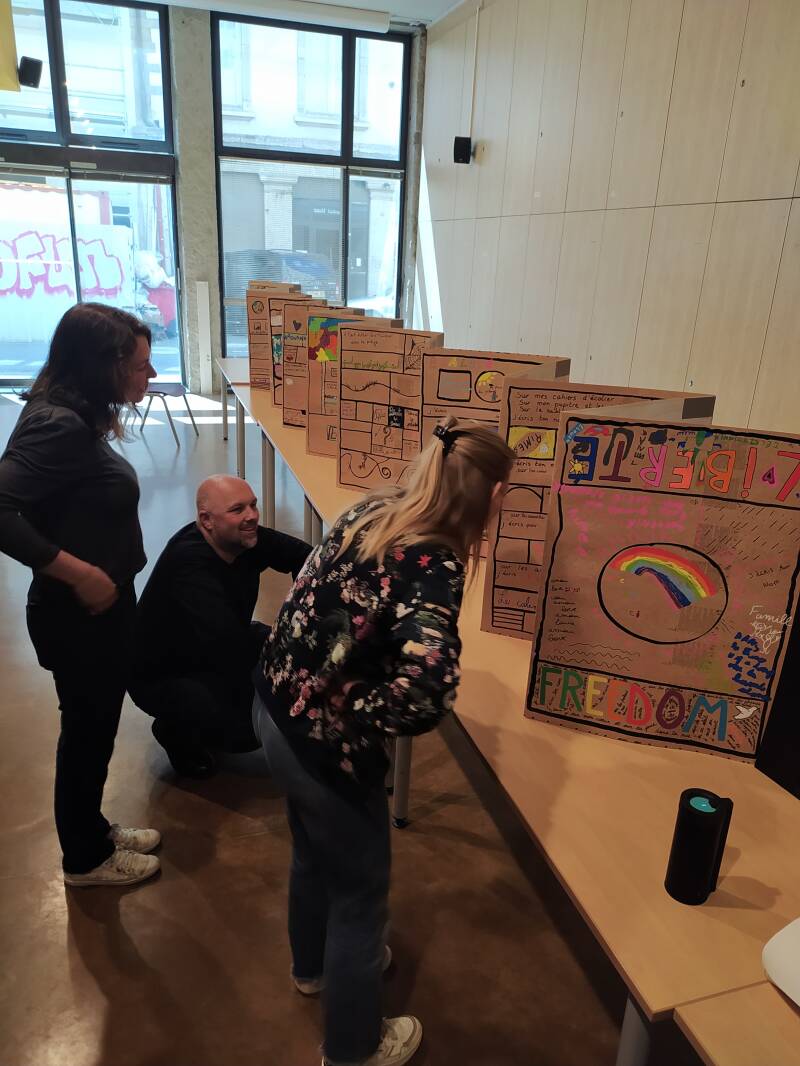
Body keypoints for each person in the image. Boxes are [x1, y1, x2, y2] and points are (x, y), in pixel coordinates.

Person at [253, 416, 514, 1066]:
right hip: (324, 747)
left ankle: (313, 969)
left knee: (312, 853)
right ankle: (353, 1050)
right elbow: (424, 696)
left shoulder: (373, 509)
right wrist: (351, 704)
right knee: (360, 900)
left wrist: (330, 691)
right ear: (492, 495)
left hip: (274, 709)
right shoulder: (434, 561)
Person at [0, 303, 160, 888]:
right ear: (104, 366)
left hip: (100, 610)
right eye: (139, 366)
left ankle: (90, 828)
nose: (150, 375)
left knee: (95, 728)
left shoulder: (75, 414)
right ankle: (84, 860)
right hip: (79, 616)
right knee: (87, 733)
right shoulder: (57, 425)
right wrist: (78, 573)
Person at [129, 475, 311, 777]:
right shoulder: (189, 566)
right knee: (247, 730)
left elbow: (307, 558)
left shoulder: (242, 537)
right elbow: (228, 646)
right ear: (206, 520)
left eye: (253, 505)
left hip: (211, 647)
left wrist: (305, 613)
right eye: (237, 509)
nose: (251, 516)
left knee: (282, 665)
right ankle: (173, 731)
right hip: (162, 674)